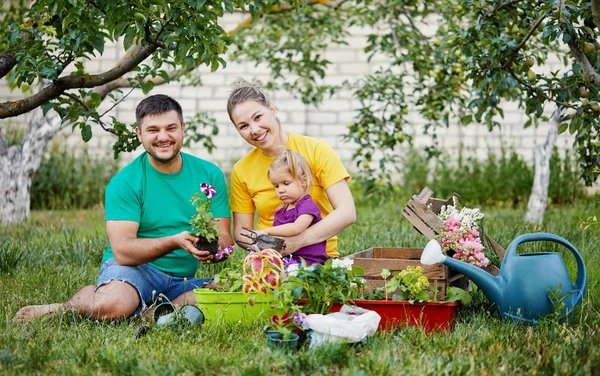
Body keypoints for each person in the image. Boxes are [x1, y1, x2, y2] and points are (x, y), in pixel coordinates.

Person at [15, 94, 233, 323]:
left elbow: (225, 235)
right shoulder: (126, 182)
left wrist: (215, 252)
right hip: (134, 270)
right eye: (153, 130)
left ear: (182, 129)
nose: (163, 137)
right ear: (139, 134)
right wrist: (175, 241)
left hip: (183, 280)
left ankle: (149, 313)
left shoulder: (209, 174)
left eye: (171, 128)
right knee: (112, 307)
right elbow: (123, 250)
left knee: (233, 290)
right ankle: (69, 306)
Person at [227, 78, 356, 259]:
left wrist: (301, 239)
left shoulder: (316, 150)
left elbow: (347, 212)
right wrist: (266, 247)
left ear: (272, 110)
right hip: (271, 257)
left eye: (258, 117)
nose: (254, 129)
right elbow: (242, 232)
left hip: (318, 259)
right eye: (244, 126)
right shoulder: (242, 169)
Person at [255, 149, 328, 266]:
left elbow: (297, 228)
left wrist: (267, 231)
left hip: (308, 262)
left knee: (280, 276)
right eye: (276, 186)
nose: (281, 190)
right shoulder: (281, 210)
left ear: (303, 181)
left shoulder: (307, 206)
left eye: (286, 183)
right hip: (287, 259)